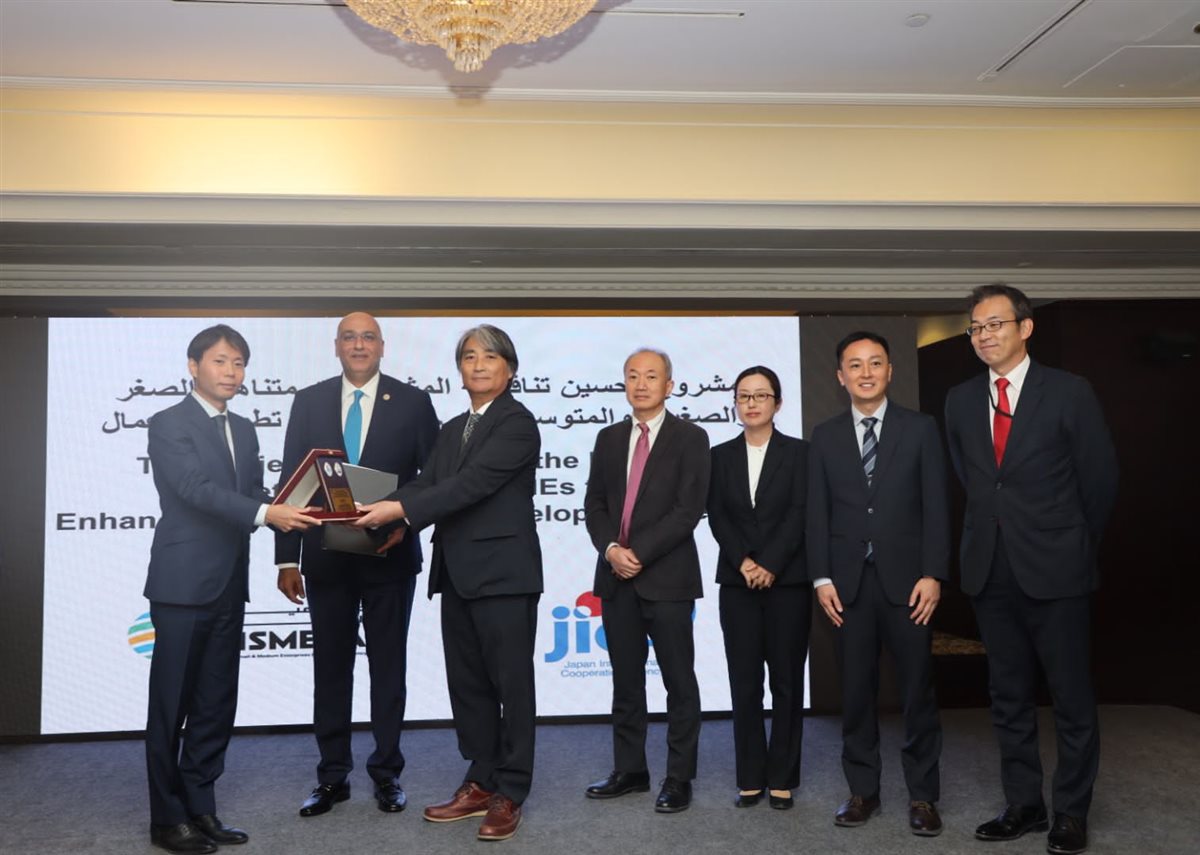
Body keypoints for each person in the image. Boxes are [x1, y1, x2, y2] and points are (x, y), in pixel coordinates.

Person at [944, 285, 1117, 855]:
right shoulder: (959, 400)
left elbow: (1099, 480)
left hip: (1057, 569)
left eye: (995, 324)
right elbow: (975, 482)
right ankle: (1023, 805)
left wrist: (1070, 543)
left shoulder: (1069, 392)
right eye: (976, 327)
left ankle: (1071, 811)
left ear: (1026, 327)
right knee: (1008, 696)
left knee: (1071, 697)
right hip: (990, 570)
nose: (984, 335)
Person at [353, 324, 541, 842]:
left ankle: (511, 790)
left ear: (510, 369)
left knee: (511, 686)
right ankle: (481, 778)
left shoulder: (518, 424)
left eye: (489, 357)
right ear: (459, 369)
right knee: (469, 684)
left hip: (504, 574)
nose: (478, 365)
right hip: (456, 571)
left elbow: (470, 485)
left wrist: (399, 510)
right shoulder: (454, 425)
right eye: (469, 357)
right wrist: (391, 517)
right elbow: (428, 483)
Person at [144, 325, 319, 854]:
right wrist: (269, 513)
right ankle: (167, 819)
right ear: (193, 366)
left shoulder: (244, 429)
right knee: (171, 705)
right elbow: (194, 490)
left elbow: (252, 494)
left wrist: (301, 502)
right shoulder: (168, 423)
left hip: (228, 583)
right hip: (182, 583)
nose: (231, 372)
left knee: (216, 702)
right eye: (220, 361)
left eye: (239, 363)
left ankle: (201, 807)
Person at [275, 312, 439, 818]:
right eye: (350, 337)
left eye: (368, 337)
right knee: (330, 668)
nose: (359, 345)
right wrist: (286, 558)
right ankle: (332, 777)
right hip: (325, 557)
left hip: (389, 553)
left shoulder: (413, 402)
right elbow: (291, 479)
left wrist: (403, 518)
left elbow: (432, 477)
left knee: (388, 668)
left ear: (383, 346)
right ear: (336, 346)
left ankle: (387, 774)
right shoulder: (309, 400)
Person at [807, 330, 949, 838]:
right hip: (846, 586)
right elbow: (816, 512)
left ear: (890, 371)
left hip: (910, 584)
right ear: (840, 376)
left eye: (875, 363)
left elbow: (937, 505)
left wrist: (933, 573)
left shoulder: (920, 428)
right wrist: (821, 576)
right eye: (855, 364)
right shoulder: (824, 436)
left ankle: (923, 796)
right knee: (856, 693)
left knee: (917, 692)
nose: (865, 372)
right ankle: (862, 791)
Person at [583, 348, 711, 813]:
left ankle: (679, 777)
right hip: (616, 578)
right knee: (625, 682)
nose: (641, 384)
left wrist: (638, 552)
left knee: (679, 682)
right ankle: (630, 770)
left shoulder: (691, 437)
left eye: (651, 376)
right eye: (633, 376)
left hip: (668, 578)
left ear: (669, 385)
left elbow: (688, 509)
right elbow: (594, 503)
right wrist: (611, 550)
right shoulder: (608, 437)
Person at [706, 365, 812, 810]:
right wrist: (744, 561)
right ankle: (750, 776)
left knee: (786, 682)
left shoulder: (801, 453)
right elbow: (717, 515)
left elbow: (801, 512)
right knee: (744, 682)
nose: (751, 403)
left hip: (788, 583)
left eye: (761, 395)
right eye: (743, 396)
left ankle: (782, 776)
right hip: (737, 583)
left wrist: (770, 563)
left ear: (777, 403)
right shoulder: (718, 456)